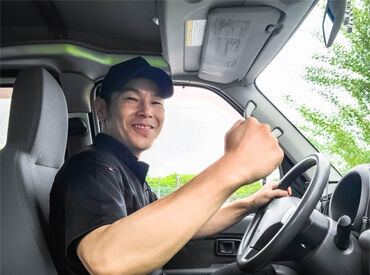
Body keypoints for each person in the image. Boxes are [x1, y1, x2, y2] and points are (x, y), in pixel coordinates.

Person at [50, 56, 290, 275]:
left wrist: (248, 204)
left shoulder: (127, 172)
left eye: (156, 102)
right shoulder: (90, 169)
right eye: (131, 99)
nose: (146, 111)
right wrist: (233, 167)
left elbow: (184, 223)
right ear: (102, 109)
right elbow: (106, 262)